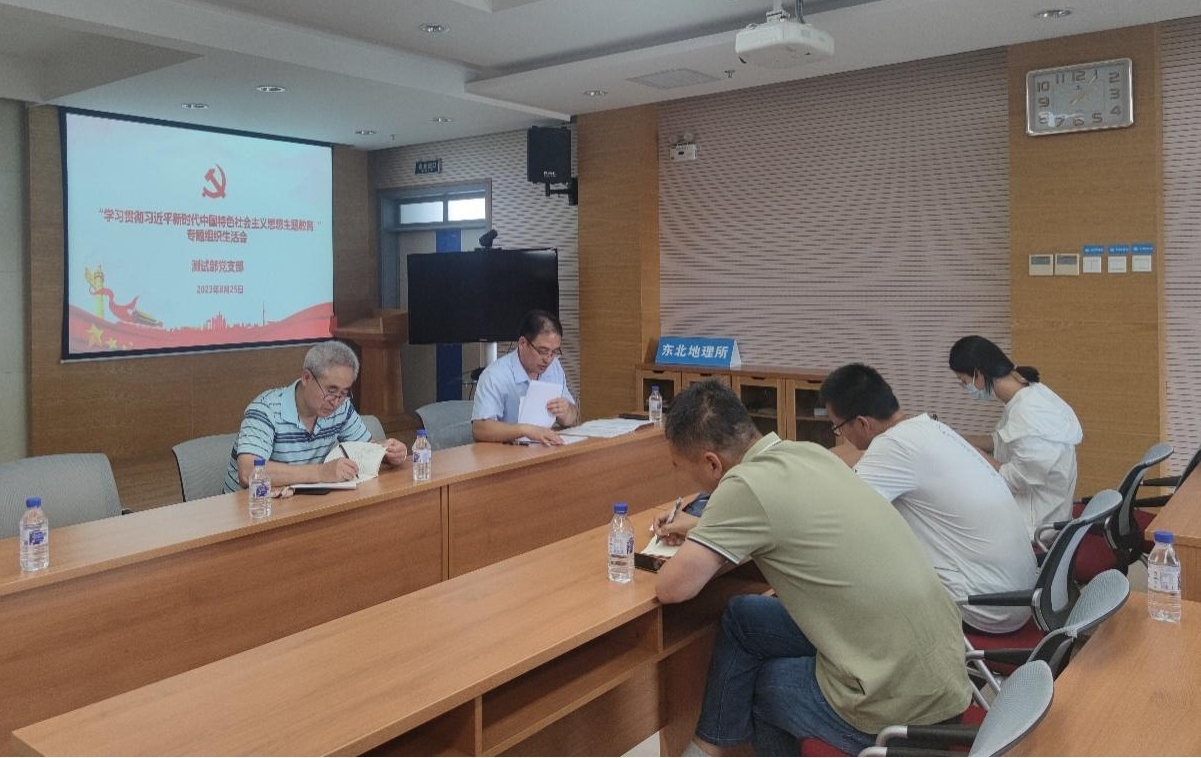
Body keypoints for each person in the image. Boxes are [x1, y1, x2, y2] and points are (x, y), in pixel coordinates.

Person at [653, 380, 971, 756]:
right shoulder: (807, 453)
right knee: (742, 617)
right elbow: (781, 519)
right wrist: (705, 528)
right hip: (943, 678)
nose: (684, 478)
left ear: (711, 463)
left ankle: (709, 749)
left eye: (681, 468)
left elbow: (673, 588)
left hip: (897, 711)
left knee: (763, 685)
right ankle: (708, 746)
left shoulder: (743, 485)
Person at [819, 363, 1037, 634]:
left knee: (848, 580)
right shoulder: (931, 427)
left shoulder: (892, 446)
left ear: (862, 423)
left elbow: (838, 516)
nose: (841, 435)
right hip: (1020, 597)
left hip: (983, 609)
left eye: (838, 427)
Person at [223, 340, 408, 492]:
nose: (336, 402)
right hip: (248, 510)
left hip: (299, 502)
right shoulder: (265, 410)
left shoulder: (342, 408)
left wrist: (387, 453)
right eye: (331, 391)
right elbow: (248, 472)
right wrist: (320, 473)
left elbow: (367, 448)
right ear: (306, 378)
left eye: (344, 393)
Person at [949, 335, 1083, 541]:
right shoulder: (1026, 394)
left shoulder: (1030, 414)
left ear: (978, 374)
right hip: (1034, 502)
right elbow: (1000, 442)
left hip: (1037, 520)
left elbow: (1013, 481)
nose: (964, 387)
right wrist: (953, 438)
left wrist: (969, 451)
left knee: (953, 519)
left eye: (963, 381)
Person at [471, 309, 579, 444]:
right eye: (542, 351)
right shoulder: (495, 375)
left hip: (545, 448)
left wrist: (566, 412)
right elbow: (480, 429)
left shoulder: (554, 367)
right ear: (522, 344)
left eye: (554, 352)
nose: (548, 359)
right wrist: (524, 430)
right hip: (506, 452)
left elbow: (572, 416)